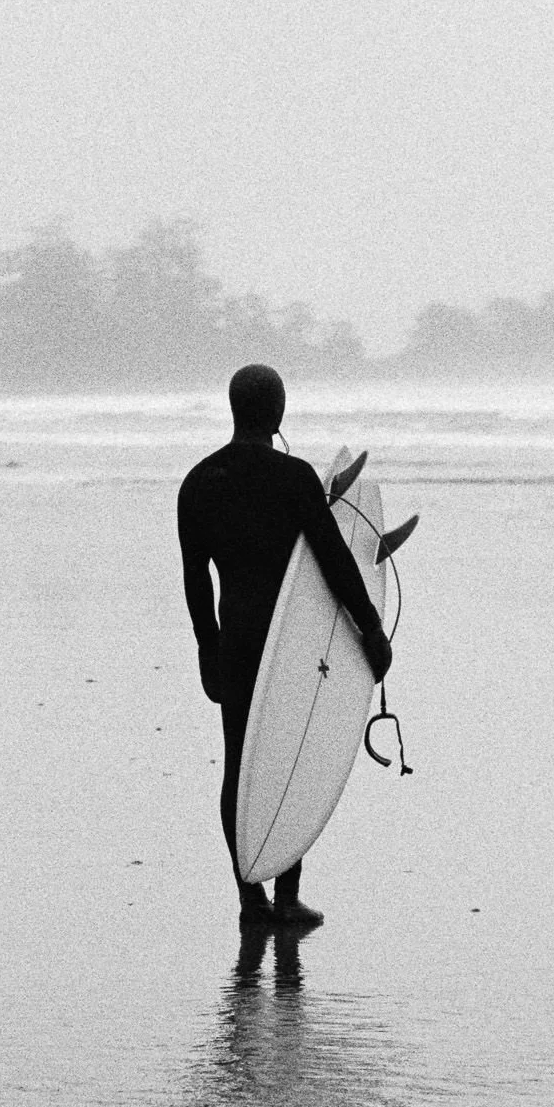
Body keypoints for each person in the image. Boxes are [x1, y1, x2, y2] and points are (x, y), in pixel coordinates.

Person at [178, 363, 393, 932]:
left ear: (233, 409)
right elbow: (334, 560)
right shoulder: (294, 478)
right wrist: (371, 631)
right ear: (277, 413)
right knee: (289, 757)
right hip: (291, 642)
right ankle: (286, 894)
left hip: (238, 641)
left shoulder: (199, 482)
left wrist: (207, 649)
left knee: (241, 765)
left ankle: (251, 899)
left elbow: (195, 580)